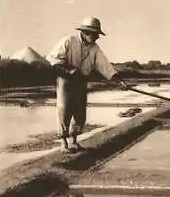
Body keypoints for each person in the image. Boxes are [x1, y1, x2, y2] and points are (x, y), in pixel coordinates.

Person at [47, 17, 129, 153]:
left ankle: (74, 142)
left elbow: (105, 66)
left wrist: (119, 80)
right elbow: (52, 60)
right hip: (65, 81)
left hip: (81, 82)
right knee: (64, 111)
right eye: (95, 34)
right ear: (85, 32)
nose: (97, 37)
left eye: (97, 34)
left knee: (80, 113)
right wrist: (69, 71)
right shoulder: (69, 41)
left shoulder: (95, 48)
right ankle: (64, 144)